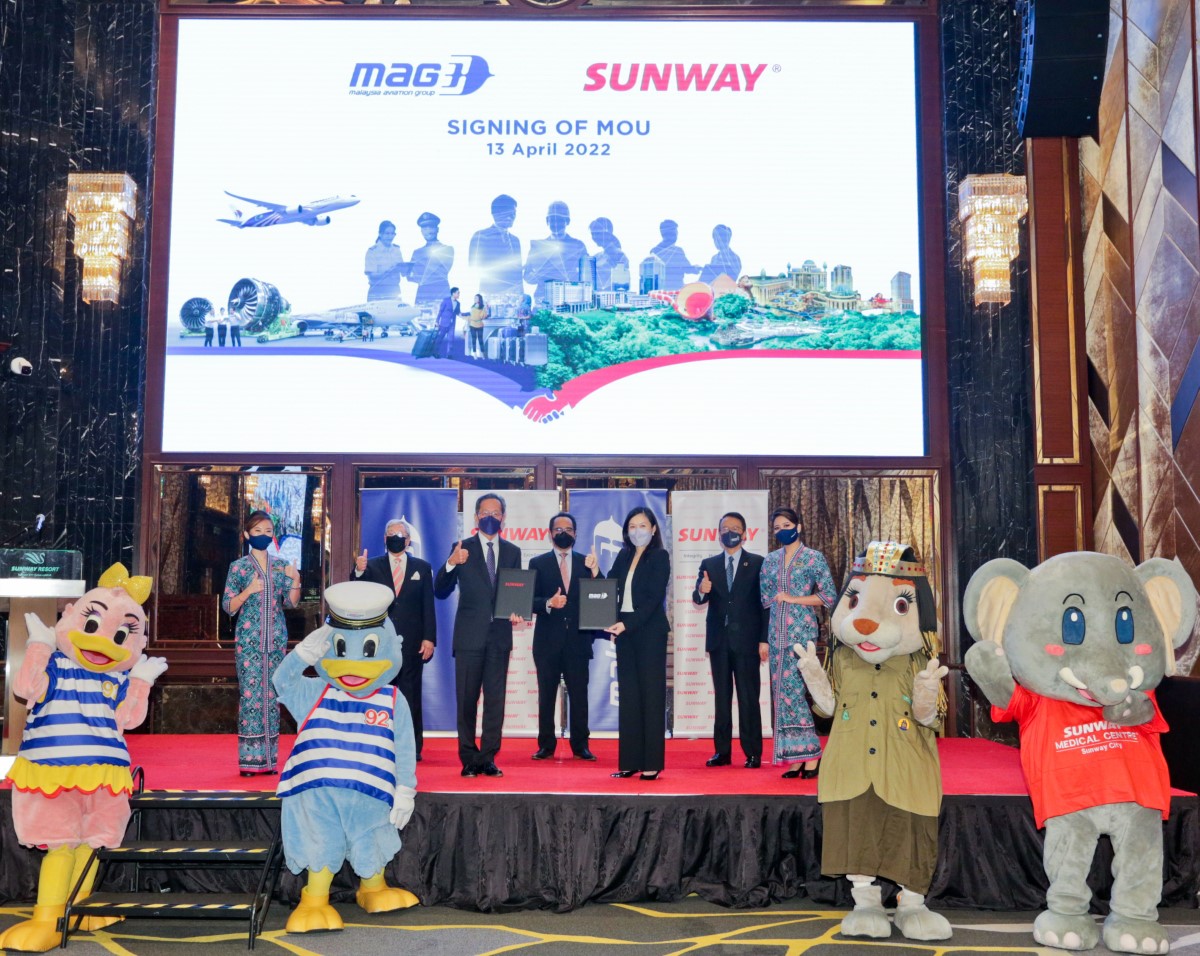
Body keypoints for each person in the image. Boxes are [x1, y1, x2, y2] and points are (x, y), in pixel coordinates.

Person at [434, 493, 523, 777]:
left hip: (499, 637)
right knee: (466, 701)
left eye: (496, 513)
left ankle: (488, 758)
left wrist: (517, 610)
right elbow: (440, 588)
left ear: (503, 518)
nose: (490, 517)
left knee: (495, 701)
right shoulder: (461, 548)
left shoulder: (512, 551)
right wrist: (450, 563)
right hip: (469, 637)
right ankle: (469, 758)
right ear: (475, 517)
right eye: (485, 512)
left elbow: (516, 591)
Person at [222, 510, 301, 775]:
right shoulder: (238, 567)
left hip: (276, 641)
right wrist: (248, 590)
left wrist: (296, 580)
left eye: (268, 531)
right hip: (249, 643)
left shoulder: (280, 566)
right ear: (247, 535)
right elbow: (228, 607)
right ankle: (249, 762)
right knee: (250, 698)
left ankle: (269, 762)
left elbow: (291, 602)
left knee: (271, 698)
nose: (263, 536)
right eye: (258, 532)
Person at [759, 506, 836, 779]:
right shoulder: (769, 561)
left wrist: (795, 599)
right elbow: (765, 602)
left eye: (786, 525)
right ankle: (794, 757)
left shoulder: (814, 558)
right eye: (777, 527)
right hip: (775, 634)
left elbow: (828, 596)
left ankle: (811, 755)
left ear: (799, 526)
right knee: (781, 696)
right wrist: (762, 640)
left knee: (795, 693)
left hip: (802, 634)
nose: (782, 530)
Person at [352, 518, 436, 761]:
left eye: (400, 534)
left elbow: (428, 607)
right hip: (379, 643)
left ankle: (413, 747)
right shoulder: (372, 566)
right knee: (379, 693)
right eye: (390, 533)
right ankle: (378, 743)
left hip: (412, 642)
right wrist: (359, 570)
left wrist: (429, 638)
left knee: (411, 696)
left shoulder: (422, 566)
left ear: (409, 540)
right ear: (384, 539)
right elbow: (358, 591)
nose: (395, 537)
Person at [692, 511, 768, 769]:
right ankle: (722, 752)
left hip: (747, 642)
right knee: (721, 699)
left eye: (736, 528)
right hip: (719, 642)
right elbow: (698, 597)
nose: (730, 532)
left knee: (748, 697)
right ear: (718, 534)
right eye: (725, 528)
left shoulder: (759, 563)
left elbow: (764, 606)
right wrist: (702, 592)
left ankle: (753, 752)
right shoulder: (709, 564)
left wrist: (763, 639)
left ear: (745, 534)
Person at [604, 507, 670, 781]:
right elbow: (609, 589)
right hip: (626, 634)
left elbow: (654, 598)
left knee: (651, 697)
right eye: (632, 526)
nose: (637, 531)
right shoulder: (623, 554)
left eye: (642, 525)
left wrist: (628, 624)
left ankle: (652, 762)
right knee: (629, 697)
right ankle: (630, 761)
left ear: (653, 529)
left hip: (650, 632)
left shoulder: (660, 556)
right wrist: (597, 572)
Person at [529, 511, 600, 761]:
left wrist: (596, 573)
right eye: (558, 529)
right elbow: (529, 601)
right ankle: (546, 744)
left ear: (576, 534)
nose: (563, 533)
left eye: (568, 529)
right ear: (550, 534)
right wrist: (549, 602)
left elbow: (600, 597)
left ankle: (580, 744)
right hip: (547, 642)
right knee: (546, 695)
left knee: (579, 695)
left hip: (578, 642)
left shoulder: (586, 562)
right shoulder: (537, 563)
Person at [523, 201, 588, 304]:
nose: (556, 224)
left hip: (570, 301)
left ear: (568, 221)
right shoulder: (537, 248)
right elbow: (527, 277)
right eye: (552, 220)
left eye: (560, 220)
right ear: (547, 221)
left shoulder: (578, 246)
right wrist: (534, 276)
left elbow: (587, 276)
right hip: (544, 301)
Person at [468, 194, 523, 296]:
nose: (511, 217)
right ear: (494, 213)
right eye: (508, 213)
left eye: (514, 213)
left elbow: (518, 273)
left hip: (513, 296)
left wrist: (521, 294)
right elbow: (473, 267)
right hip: (490, 294)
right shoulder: (480, 236)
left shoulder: (515, 240)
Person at [407, 212, 454, 305]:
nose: (428, 231)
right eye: (425, 228)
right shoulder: (416, 252)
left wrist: (415, 274)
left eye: (431, 227)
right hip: (422, 295)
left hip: (440, 293)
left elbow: (435, 273)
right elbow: (410, 277)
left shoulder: (447, 249)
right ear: (421, 231)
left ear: (437, 229)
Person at [649, 219, 699, 290]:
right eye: (675, 232)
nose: (676, 235)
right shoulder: (677, 251)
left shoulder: (653, 251)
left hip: (660, 291)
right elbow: (687, 268)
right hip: (675, 291)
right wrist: (696, 269)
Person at [364, 220, 405, 301]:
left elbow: (402, 272)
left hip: (395, 290)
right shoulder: (372, 251)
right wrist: (387, 272)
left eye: (392, 233)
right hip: (378, 291)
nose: (390, 236)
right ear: (380, 234)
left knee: (397, 313)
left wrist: (407, 268)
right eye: (387, 233)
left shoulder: (397, 250)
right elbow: (371, 275)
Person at [434, 287, 464, 359]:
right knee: (440, 338)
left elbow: (458, 313)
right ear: (453, 293)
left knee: (451, 340)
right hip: (443, 323)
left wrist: (469, 314)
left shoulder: (458, 303)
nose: (459, 294)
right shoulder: (446, 300)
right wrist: (437, 321)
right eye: (458, 293)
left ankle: (449, 354)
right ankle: (435, 352)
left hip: (452, 325)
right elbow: (440, 311)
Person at [467, 294, 489, 359]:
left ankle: (482, 353)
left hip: (480, 325)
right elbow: (470, 316)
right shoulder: (472, 306)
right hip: (472, 325)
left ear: (479, 299)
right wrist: (468, 323)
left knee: (480, 340)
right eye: (474, 298)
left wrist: (484, 309)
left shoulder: (482, 307)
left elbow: (483, 316)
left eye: (476, 298)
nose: (475, 299)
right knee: (473, 340)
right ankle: (474, 353)